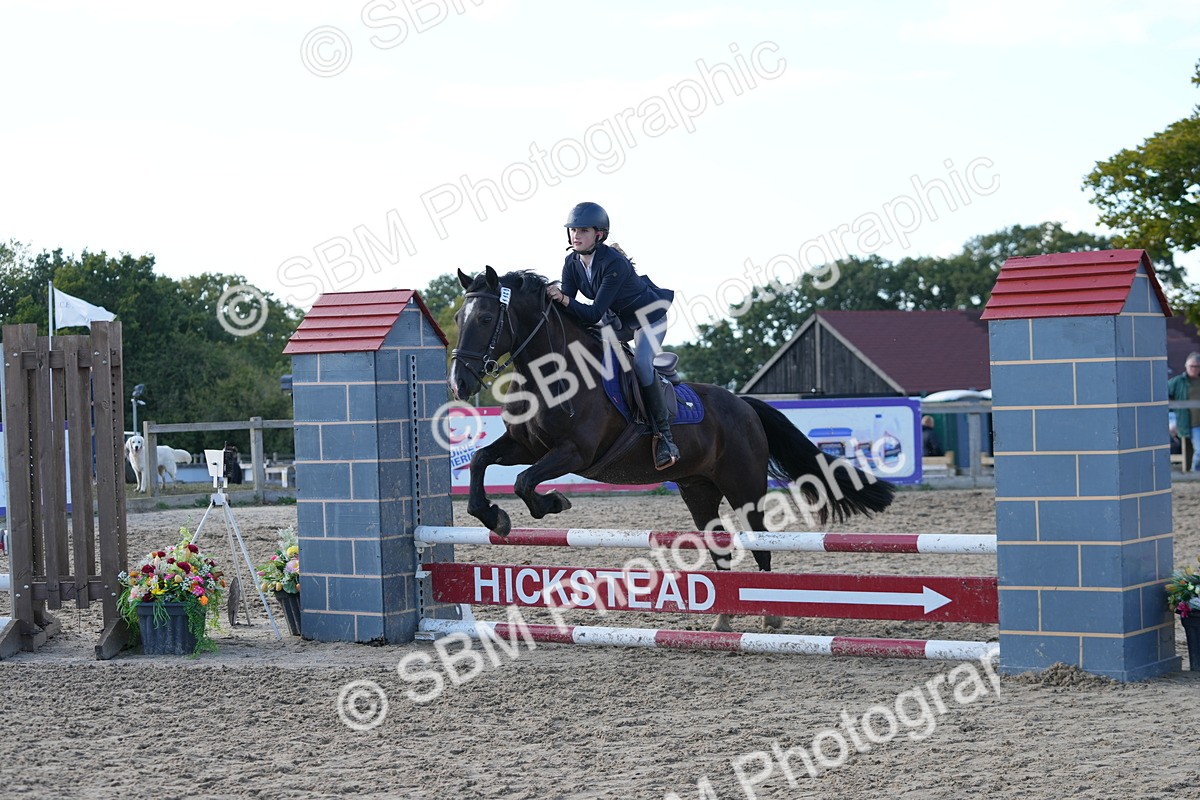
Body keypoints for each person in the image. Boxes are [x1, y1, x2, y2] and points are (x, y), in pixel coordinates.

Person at [545, 202, 679, 470]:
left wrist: (562, 298)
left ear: (599, 234)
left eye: (583, 230)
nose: (576, 235)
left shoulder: (613, 263)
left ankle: (665, 437)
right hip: (617, 321)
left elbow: (593, 312)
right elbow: (570, 303)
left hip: (648, 319)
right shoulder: (571, 262)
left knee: (641, 364)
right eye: (573, 230)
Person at [1167, 352, 1200, 470]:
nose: (1194, 369)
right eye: (1191, 366)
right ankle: (1195, 474)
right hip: (1185, 423)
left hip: (1197, 423)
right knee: (1198, 451)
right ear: (1186, 366)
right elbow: (1163, 398)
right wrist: (1172, 422)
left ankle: (1193, 473)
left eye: (1197, 366)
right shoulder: (1177, 382)